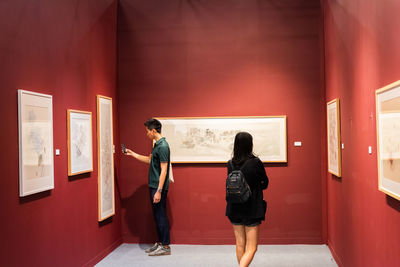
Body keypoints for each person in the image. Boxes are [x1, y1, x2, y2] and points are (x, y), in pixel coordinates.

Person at [124, 118, 171, 256]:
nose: (146, 134)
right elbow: (150, 161)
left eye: (147, 131)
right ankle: (161, 243)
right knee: (157, 215)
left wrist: (159, 191)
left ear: (153, 130)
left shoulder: (163, 146)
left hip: (158, 186)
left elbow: (164, 170)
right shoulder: (157, 145)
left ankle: (166, 246)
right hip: (154, 186)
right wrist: (133, 154)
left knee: (161, 215)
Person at [226, 132, 269, 267]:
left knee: (240, 244)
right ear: (250, 144)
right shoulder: (255, 163)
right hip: (252, 208)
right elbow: (265, 183)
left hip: (233, 207)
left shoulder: (230, 163)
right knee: (252, 247)